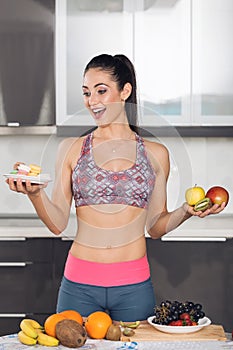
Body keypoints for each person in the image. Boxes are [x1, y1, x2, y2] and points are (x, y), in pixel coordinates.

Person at [7, 54, 226, 322]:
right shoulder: (72, 149)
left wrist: (186, 211)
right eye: (87, 93)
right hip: (78, 286)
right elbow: (58, 223)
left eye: (101, 91)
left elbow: (156, 227)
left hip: (133, 287)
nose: (92, 101)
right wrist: (36, 194)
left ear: (125, 91)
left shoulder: (156, 154)